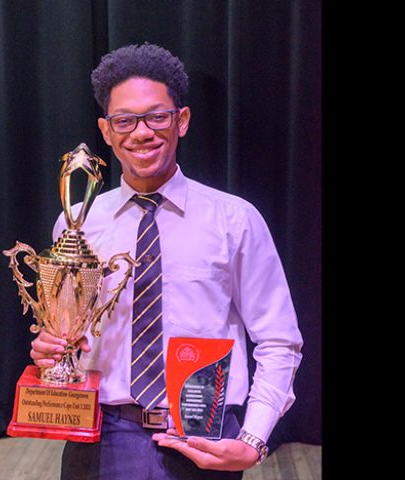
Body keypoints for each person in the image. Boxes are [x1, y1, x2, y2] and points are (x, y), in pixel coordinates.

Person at [30, 42, 303, 479]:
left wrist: (253, 439)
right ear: (106, 129)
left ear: (182, 120)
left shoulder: (234, 220)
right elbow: (69, 335)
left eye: (157, 116)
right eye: (125, 120)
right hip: (101, 439)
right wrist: (53, 348)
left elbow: (278, 340)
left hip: (204, 436)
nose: (142, 132)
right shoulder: (78, 226)